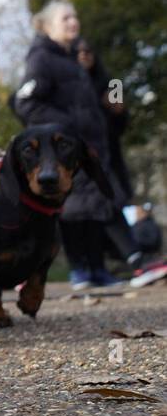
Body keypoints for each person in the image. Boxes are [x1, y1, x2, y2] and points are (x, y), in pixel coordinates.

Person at [14, 1, 115, 287]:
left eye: (75, 16)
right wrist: (66, 127)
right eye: (66, 17)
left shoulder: (75, 59)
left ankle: (98, 268)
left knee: (96, 207)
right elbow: (26, 102)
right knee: (72, 209)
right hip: (64, 150)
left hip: (90, 148)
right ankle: (79, 269)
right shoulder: (41, 59)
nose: (74, 21)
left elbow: (101, 95)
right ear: (47, 26)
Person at [75, 38, 141, 267]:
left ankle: (128, 257)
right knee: (94, 206)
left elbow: (121, 125)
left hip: (108, 152)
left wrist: (116, 110)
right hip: (83, 153)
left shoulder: (111, 83)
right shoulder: (68, 84)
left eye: (88, 50)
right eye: (79, 51)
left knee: (112, 201)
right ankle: (124, 258)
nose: (84, 54)